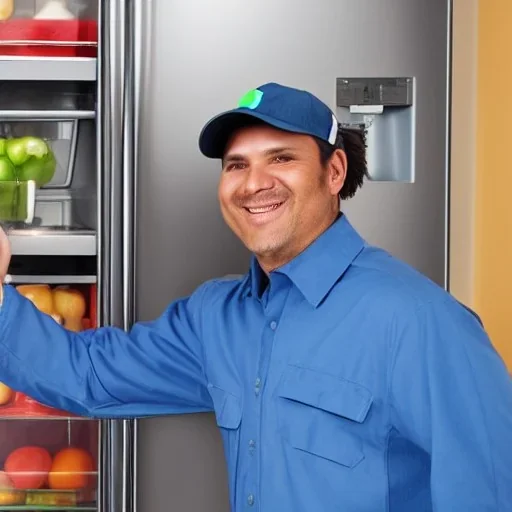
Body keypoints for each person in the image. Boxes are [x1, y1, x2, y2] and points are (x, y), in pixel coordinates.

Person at [0, 82, 510, 511]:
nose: (254, 184)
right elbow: (86, 376)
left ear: (333, 173)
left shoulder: (421, 322)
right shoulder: (216, 317)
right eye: (236, 165)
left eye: (281, 158)